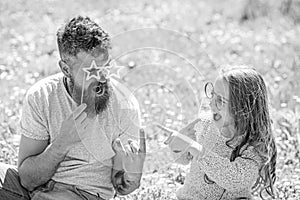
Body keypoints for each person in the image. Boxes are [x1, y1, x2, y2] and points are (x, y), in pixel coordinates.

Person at [0, 16, 146, 200]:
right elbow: (27, 180)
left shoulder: (124, 105)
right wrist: (62, 143)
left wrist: (133, 177)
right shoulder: (41, 96)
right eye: (91, 71)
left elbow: (120, 186)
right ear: (66, 69)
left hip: (84, 195)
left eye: (106, 67)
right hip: (31, 191)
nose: (102, 78)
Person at [164, 66, 277, 199]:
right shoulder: (205, 124)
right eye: (212, 96)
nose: (211, 105)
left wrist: (196, 149)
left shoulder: (254, 144)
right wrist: (178, 146)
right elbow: (182, 160)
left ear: (243, 109)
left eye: (220, 101)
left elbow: (235, 180)